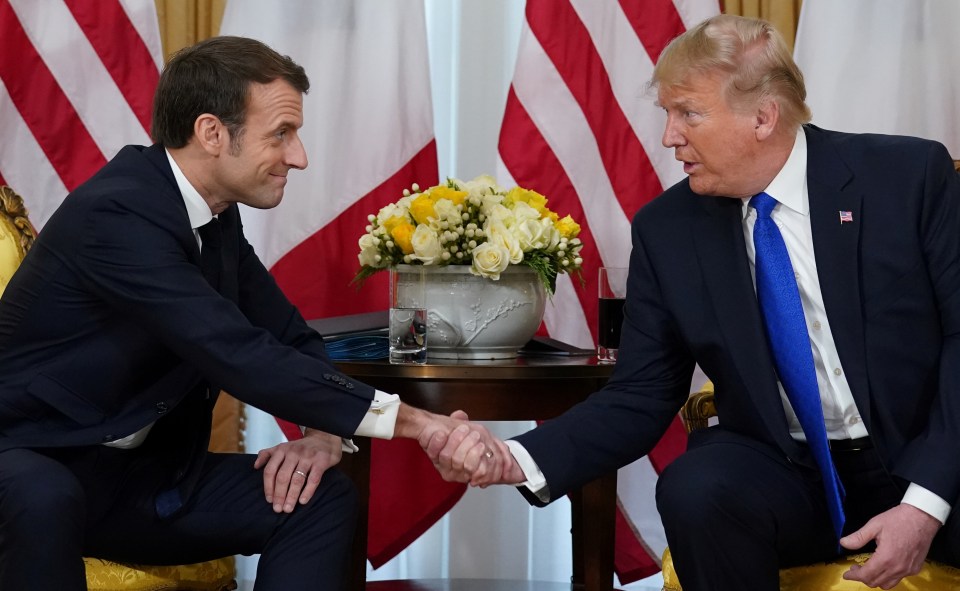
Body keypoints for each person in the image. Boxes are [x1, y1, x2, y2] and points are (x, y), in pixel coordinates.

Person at [427, 14, 960, 591]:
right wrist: (514, 458)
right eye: (667, 114)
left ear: (763, 116)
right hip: (786, 473)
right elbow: (640, 394)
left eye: (689, 113)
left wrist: (926, 504)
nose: (669, 136)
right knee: (697, 488)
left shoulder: (906, 177)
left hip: (927, 459)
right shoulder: (668, 228)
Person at [0, 36, 503, 591]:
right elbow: (234, 351)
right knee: (44, 495)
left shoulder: (215, 218)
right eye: (281, 134)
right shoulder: (117, 212)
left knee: (320, 497)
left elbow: (288, 336)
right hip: (25, 458)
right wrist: (422, 426)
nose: (299, 156)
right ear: (212, 132)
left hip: (130, 481)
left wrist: (321, 433)